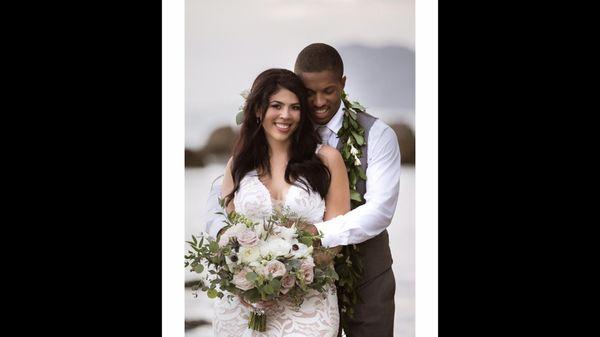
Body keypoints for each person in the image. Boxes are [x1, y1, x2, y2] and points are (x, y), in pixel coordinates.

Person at [210, 68, 350, 336]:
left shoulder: (327, 160)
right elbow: (228, 236)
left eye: (295, 107)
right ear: (259, 110)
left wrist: (287, 280)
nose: (286, 115)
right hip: (244, 304)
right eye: (277, 106)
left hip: (308, 304)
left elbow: (338, 236)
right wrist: (244, 283)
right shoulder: (237, 166)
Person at [293, 43, 401, 337]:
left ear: (342, 83)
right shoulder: (284, 131)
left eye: (327, 90)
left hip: (368, 279)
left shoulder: (379, 135)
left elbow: (380, 211)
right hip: (299, 284)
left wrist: (318, 233)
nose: (317, 101)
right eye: (308, 92)